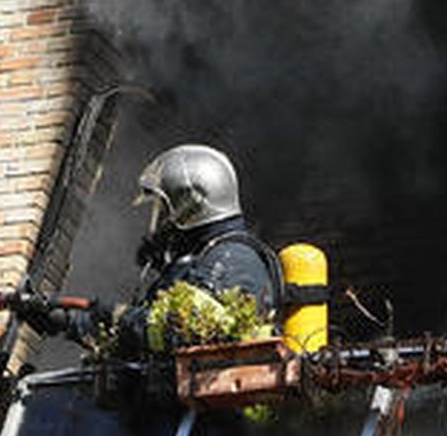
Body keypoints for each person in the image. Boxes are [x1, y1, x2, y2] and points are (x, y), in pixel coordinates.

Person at [18, 144, 279, 357]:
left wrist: (111, 313)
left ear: (190, 204)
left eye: (164, 208)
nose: (160, 221)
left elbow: (178, 334)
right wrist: (65, 322)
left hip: (205, 419)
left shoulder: (232, 259)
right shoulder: (201, 259)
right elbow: (140, 338)